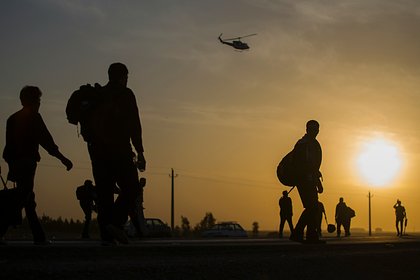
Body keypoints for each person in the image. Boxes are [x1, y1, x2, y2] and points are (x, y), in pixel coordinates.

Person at [1, 86, 73, 245]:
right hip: (27, 163)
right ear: (34, 101)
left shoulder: (12, 119)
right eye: (38, 100)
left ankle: (39, 236)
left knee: (27, 198)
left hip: (15, 163)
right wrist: (63, 159)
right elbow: (47, 141)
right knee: (22, 197)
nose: (39, 103)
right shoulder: (34, 117)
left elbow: (8, 148)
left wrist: (11, 164)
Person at [86, 63, 146, 245]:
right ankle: (116, 224)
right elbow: (134, 125)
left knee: (105, 193)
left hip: (97, 152)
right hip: (120, 149)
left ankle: (107, 235)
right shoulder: (126, 94)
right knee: (132, 188)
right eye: (126, 77)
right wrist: (140, 151)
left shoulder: (98, 95)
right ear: (123, 77)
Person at [289, 120, 324, 243]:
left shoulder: (312, 144)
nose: (316, 131)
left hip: (310, 180)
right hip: (304, 180)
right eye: (314, 128)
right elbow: (304, 165)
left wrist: (317, 181)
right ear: (308, 129)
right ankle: (301, 233)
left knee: (312, 207)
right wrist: (310, 178)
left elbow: (314, 166)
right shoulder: (303, 144)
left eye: (317, 128)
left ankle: (308, 235)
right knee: (312, 207)